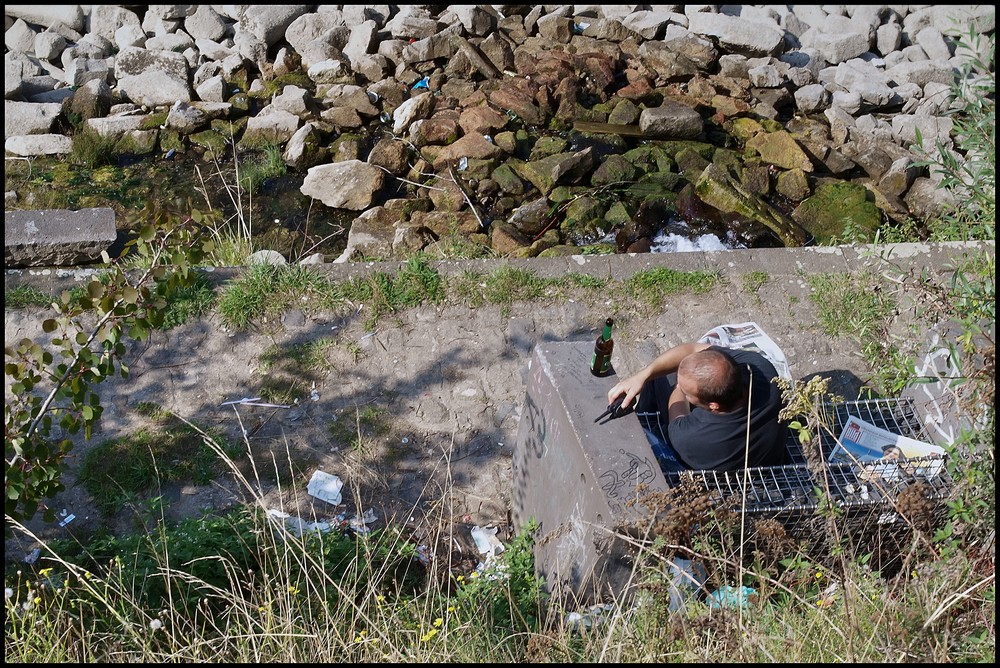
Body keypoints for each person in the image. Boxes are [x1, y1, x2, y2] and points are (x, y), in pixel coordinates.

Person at [607, 342, 790, 472]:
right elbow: (693, 349)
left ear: (713, 406)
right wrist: (641, 376)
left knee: (660, 378)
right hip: (764, 459)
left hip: (713, 475)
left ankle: (645, 424)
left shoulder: (691, 437)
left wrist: (674, 385)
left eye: (687, 393)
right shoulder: (761, 370)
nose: (681, 388)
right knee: (660, 373)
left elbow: (677, 413)